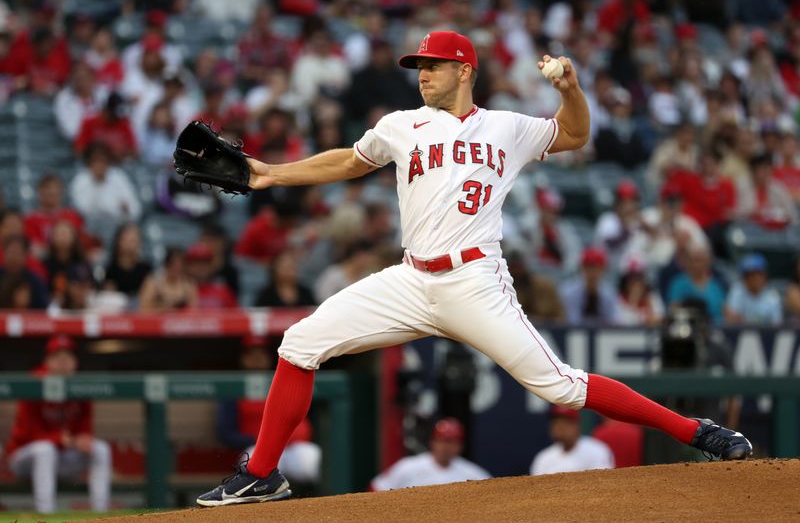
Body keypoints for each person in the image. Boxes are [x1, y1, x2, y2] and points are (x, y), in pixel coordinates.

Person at [196, 31, 752, 507]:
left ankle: (696, 431)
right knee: (299, 342)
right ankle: (262, 475)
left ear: (464, 70)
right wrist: (270, 175)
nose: (422, 74)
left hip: (474, 281)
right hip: (411, 280)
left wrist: (571, 89)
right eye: (418, 66)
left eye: (432, 65)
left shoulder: (507, 128)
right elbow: (345, 160)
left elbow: (576, 134)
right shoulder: (400, 126)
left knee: (559, 388)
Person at [5, 335, 111, 514]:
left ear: (75, 362)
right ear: (48, 361)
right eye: (58, 358)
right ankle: (46, 514)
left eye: (68, 357)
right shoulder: (34, 383)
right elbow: (26, 435)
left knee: (101, 449)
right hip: (24, 458)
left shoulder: (79, 386)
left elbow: (85, 424)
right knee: (45, 449)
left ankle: (101, 514)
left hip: (62, 456)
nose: (64, 363)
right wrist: (61, 440)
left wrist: (84, 438)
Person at [217, 335, 321, 485]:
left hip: (295, 448)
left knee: (313, 458)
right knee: (251, 463)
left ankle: (325, 506)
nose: (257, 359)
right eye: (251, 355)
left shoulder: (286, 379)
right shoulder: (234, 387)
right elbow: (225, 432)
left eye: (261, 354)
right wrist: (258, 440)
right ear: (243, 358)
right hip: (258, 449)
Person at [371, 417, 490, 490]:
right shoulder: (407, 467)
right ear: (432, 442)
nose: (445, 446)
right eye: (441, 440)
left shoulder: (474, 474)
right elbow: (376, 489)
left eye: (450, 442)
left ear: (460, 446)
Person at [531, 405, 614, 476]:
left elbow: (603, 483)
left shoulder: (596, 450)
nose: (560, 427)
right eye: (556, 422)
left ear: (576, 425)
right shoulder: (544, 457)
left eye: (565, 422)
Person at [559, 247, 620, 325]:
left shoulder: (610, 294)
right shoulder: (568, 292)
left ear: (603, 270)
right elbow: (571, 323)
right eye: (589, 267)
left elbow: (614, 323)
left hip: (603, 335)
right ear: (582, 268)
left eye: (597, 268)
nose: (593, 273)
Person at [724, 253, 782, 324]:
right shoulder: (737, 291)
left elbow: (777, 325)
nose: (755, 279)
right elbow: (730, 318)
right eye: (750, 275)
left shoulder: (772, 297)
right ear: (744, 278)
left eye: (759, 274)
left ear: (765, 276)